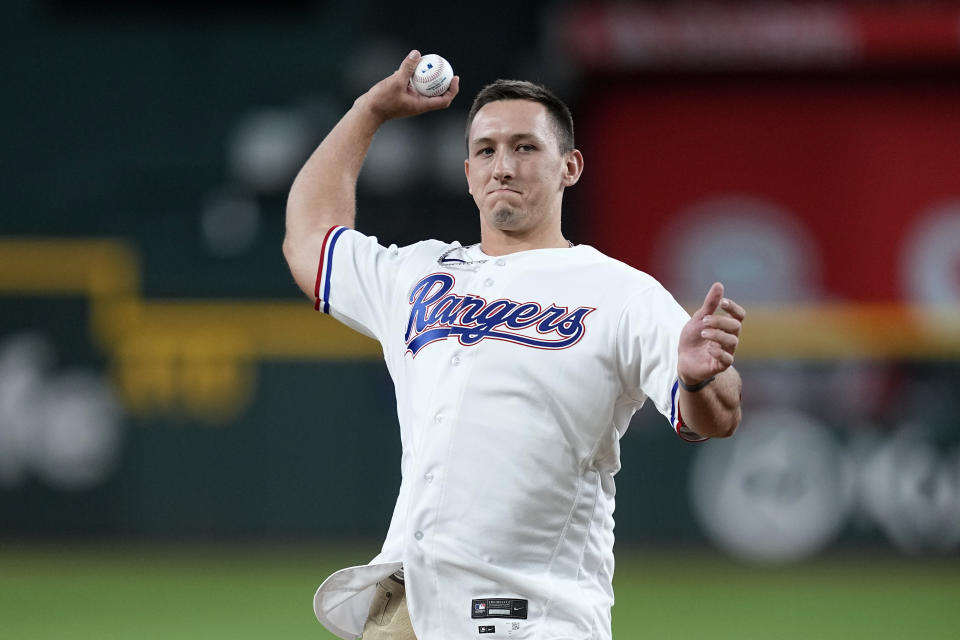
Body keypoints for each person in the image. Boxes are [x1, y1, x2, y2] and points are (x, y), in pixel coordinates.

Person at [283, 49, 744, 640]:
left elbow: (715, 416)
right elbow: (309, 241)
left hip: (538, 616)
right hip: (415, 609)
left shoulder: (621, 292)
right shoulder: (417, 275)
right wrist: (369, 110)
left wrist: (704, 378)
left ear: (569, 167)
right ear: (468, 172)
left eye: (525, 147)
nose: (504, 165)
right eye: (486, 150)